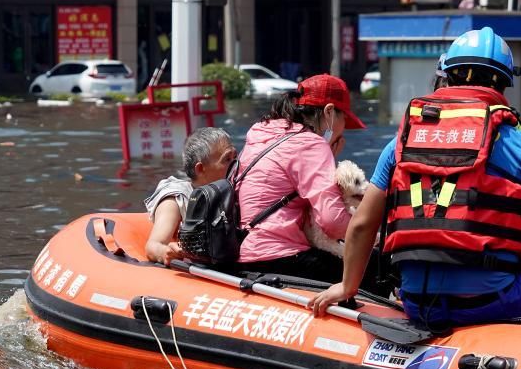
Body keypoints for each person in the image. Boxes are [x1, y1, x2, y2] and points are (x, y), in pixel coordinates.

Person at [310, 27, 521, 328]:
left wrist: (347, 286)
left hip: (415, 300)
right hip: (491, 301)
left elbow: (362, 224)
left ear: (446, 76)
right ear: (503, 85)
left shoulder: (401, 142)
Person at [235, 73, 366, 282]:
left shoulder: (261, 133)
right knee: (374, 269)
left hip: (243, 251)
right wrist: (372, 234)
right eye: (345, 120)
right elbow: (333, 222)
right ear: (330, 112)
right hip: (282, 256)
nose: (344, 131)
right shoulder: (312, 144)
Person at [144, 127, 236, 265]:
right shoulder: (176, 199)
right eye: (227, 159)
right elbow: (153, 245)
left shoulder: (236, 188)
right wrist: (166, 253)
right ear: (200, 169)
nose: (236, 165)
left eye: (236, 157)